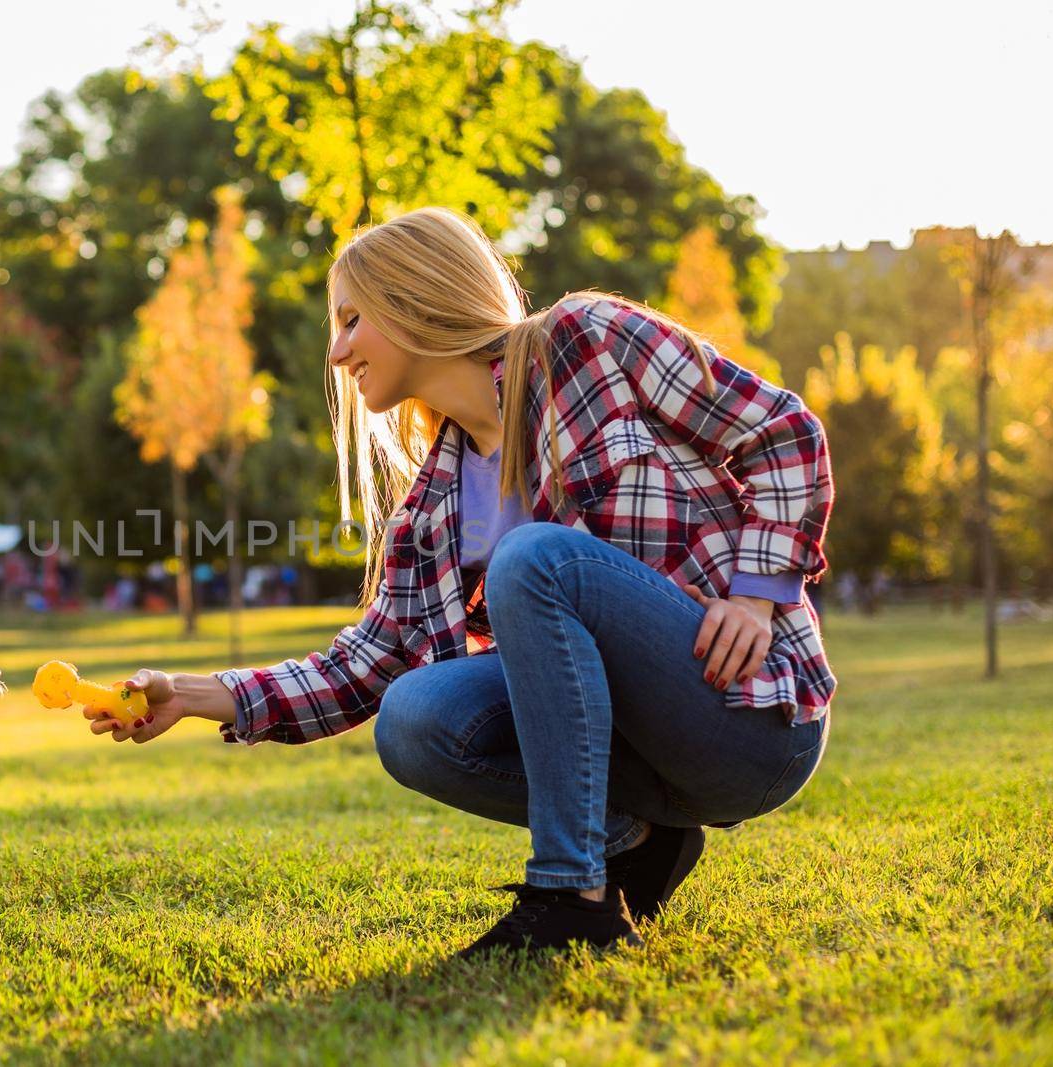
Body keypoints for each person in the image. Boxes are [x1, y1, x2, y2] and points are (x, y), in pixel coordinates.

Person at [88, 207, 837, 961]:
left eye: (351, 319)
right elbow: (363, 668)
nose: (338, 350)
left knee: (533, 560)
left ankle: (569, 894)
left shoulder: (588, 340)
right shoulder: (432, 508)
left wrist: (757, 591)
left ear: (414, 299)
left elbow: (784, 432)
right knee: (412, 716)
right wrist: (187, 693)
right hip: (644, 762)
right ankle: (634, 841)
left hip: (744, 716)